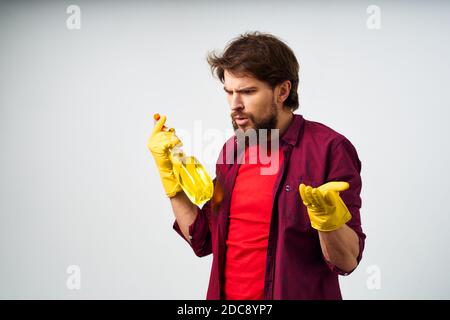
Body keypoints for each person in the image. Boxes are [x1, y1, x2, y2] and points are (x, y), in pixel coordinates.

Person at [147, 32, 365, 300]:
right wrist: (171, 180)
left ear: (283, 91)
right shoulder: (232, 151)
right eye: (229, 92)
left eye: (248, 92)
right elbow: (203, 239)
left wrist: (329, 222)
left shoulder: (330, 149)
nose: (235, 105)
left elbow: (348, 261)